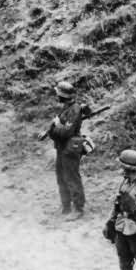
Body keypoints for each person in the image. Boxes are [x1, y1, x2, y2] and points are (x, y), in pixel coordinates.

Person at [45, 81, 92, 218]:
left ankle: (78, 209)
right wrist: (50, 130)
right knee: (61, 177)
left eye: (58, 93)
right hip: (61, 147)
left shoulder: (74, 109)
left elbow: (66, 132)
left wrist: (57, 126)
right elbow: (58, 126)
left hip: (70, 148)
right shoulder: (67, 107)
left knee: (72, 178)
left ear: (63, 95)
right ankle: (66, 206)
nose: (56, 95)